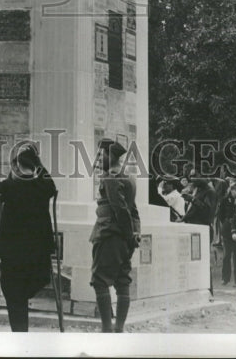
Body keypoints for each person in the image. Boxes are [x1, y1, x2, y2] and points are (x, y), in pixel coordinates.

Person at [0, 144, 57, 332]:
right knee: (22, 290)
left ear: (16, 166)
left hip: (13, 257)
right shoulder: (44, 186)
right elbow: (51, 184)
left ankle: (19, 334)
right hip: (38, 259)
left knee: (13, 293)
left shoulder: (8, 187)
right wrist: (37, 163)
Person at [90, 139, 140, 333]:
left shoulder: (111, 177)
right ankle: (118, 329)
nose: (97, 160)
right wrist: (134, 234)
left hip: (109, 235)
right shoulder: (128, 177)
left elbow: (120, 209)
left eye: (101, 155)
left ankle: (107, 331)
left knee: (100, 281)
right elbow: (133, 211)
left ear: (110, 156)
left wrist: (128, 235)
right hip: (124, 238)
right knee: (122, 281)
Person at [218, 180, 236, 285]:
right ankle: (225, 278)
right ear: (230, 190)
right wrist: (226, 223)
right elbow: (220, 215)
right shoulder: (225, 200)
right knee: (227, 255)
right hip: (227, 230)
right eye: (235, 190)